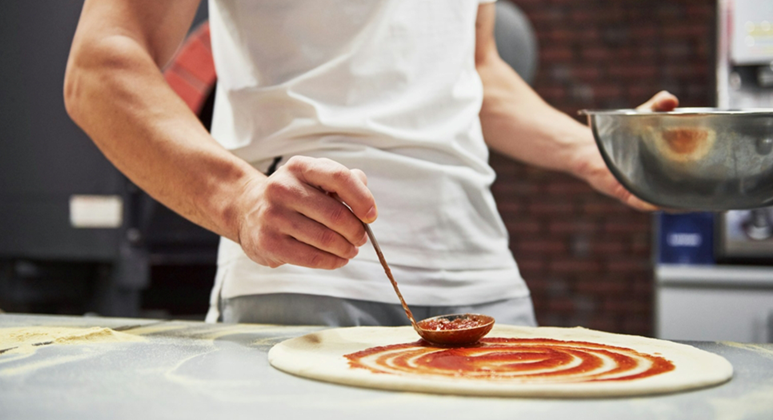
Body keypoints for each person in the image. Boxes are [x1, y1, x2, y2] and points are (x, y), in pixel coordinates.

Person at [64, 0, 678, 327]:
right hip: (304, 283)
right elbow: (100, 66)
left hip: (481, 282)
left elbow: (474, 68)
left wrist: (596, 153)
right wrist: (241, 199)